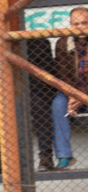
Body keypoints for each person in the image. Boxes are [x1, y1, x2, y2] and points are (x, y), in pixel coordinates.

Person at [52, 6, 88, 170]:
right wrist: (73, 95)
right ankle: (64, 156)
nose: (81, 27)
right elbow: (63, 75)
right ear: (70, 25)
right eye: (76, 24)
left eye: (85, 23)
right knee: (57, 105)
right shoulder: (63, 43)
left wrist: (81, 96)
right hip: (71, 92)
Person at [27, 37, 57, 172]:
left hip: (30, 92)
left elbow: (46, 75)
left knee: (39, 105)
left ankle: (45, 157)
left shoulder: (36, 42)